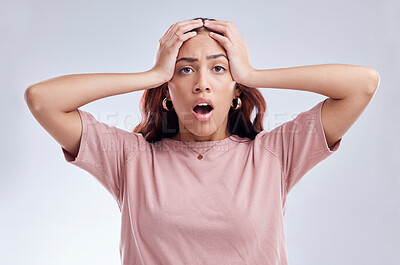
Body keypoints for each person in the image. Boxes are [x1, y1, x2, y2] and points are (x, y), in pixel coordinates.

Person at [24, 17, 379, 265]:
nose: (202, 83)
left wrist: (254, 73)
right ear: (168, 91)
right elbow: (43, 99)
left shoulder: (273, 154)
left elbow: (362, 84)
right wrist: (151, 74)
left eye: (219, 68)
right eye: (185, 68)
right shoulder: (130, 159)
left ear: (235, 90)